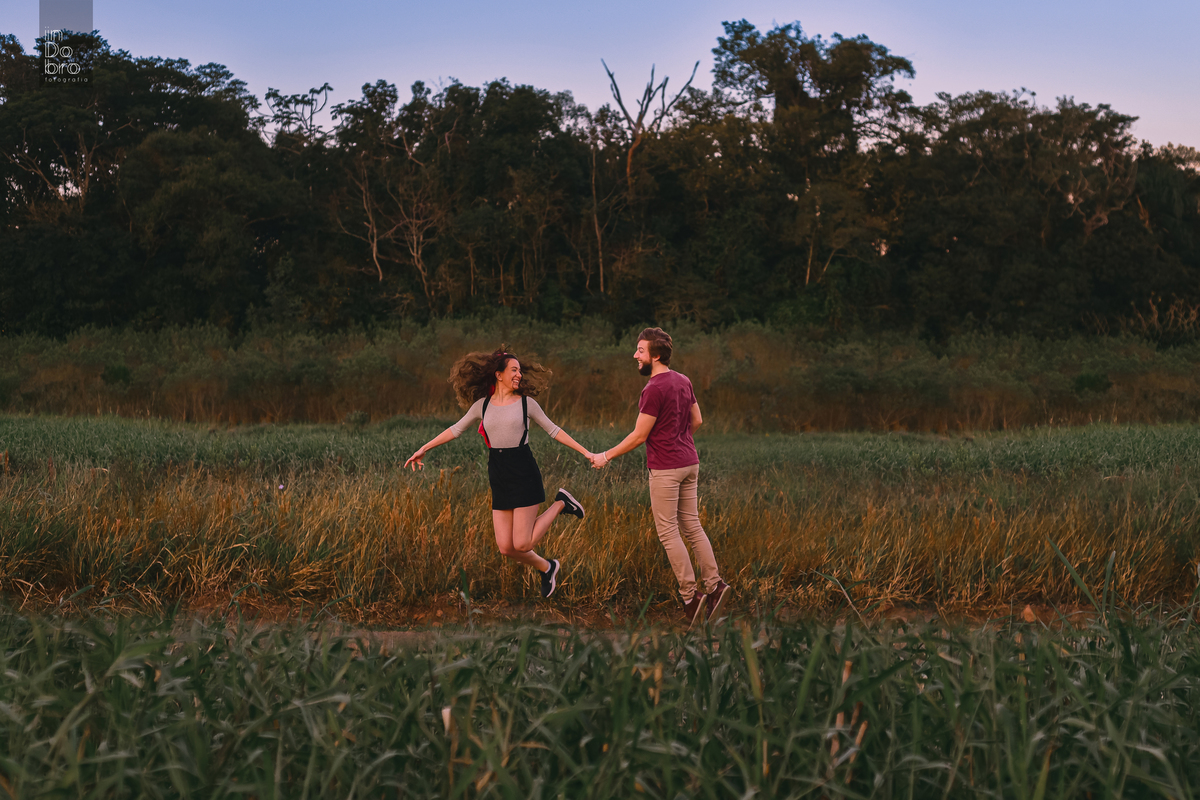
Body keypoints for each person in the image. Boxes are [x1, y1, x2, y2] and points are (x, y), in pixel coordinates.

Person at [404, 348, 590, 598]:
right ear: (498, 374)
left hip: (523, 470)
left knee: (523, 543)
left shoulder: (527, 404)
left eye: (520, 371)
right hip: (499, 473)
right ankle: (548, 568)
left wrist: (586, 452)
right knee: (506, 547)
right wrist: (424, 448)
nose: (519, 375)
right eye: (514, 370)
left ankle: (560, 503)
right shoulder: (482, 406)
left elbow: (554, 430)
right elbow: (456, 429)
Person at [590, 327, 731, 627]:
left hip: (666, 469)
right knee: (692, 526)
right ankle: (716, 587)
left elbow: (640, 435)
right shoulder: (683, 380)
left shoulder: (653, 389)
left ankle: (691, 599)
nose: (635, 355)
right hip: (689, 462)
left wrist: (606, 455)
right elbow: (698, 420)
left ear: (654, 355)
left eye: (639, 351)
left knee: (669, 533)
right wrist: (679, 441)